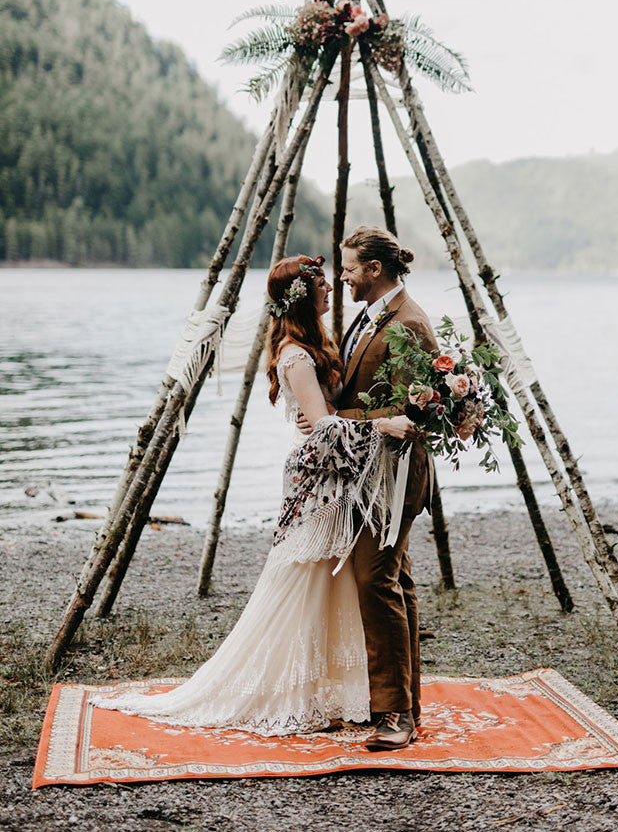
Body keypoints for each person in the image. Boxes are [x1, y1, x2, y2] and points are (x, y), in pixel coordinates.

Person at [89, 254, 415, 736]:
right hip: (318, 481)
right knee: (299, 584)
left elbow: (328, 414)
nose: (332, 290)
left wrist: (335, 415)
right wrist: (379, 424)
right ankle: (281, 686)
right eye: (323, 285)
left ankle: (339, 689)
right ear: (303, 298)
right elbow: (324, 428)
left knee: (331, 585)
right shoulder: (296, 355)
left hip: (338, 477)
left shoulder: (319, 341)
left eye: (331, 280)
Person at [298, 226, 437, 751]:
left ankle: (395, 715)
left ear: (374, 269)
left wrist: (334, 417)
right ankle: (406, 702)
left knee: (377, 580)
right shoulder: (372, 313)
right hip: (367, 472)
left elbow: (412, 412)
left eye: (349, 267)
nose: (343, 277)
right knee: (394, 580)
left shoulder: (412, 325)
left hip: (394, 477)